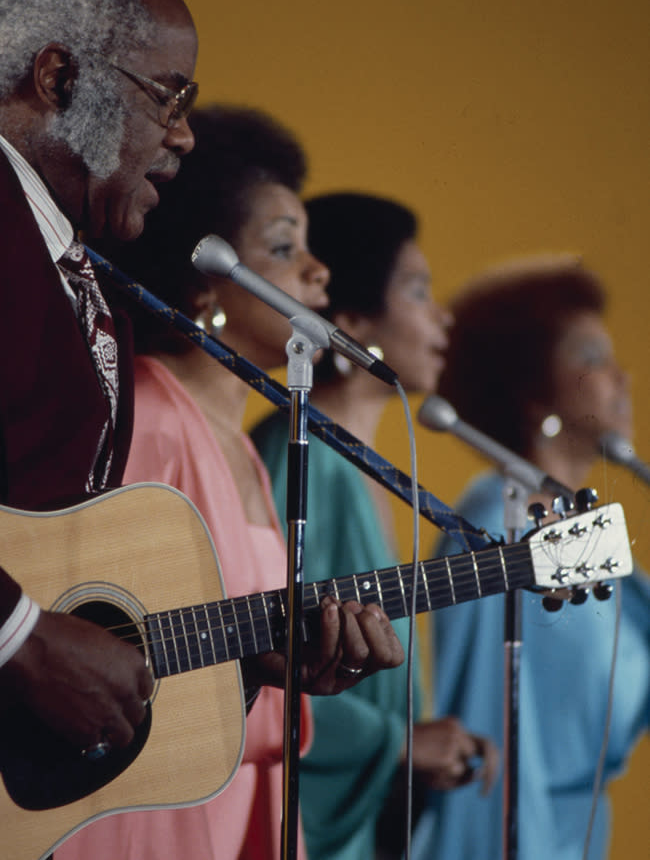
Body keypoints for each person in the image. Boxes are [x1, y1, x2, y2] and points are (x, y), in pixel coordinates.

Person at [58, 109, 406, 859]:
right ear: (202, 282)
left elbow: (215, 659)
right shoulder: (152, 420)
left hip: (228, 813)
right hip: (142, 828)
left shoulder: (239, 446)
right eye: (284, 249)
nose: (318, 273)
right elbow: (104, 664)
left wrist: (294, 672)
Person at [0, 0, 199, 765]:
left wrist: (248, 656)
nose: (185, 136)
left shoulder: (79, 271)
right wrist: (19, 640)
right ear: (58, 75)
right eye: (170, 96)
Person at [253, 192, 499, 860]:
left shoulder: (363, 471)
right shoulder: (302, 459)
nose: (441, 317)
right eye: (418, 291)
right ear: (354, 318)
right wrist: (401, 744)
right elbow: (247, 668)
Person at [410, 256, 650, 860]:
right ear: (532, 390)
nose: (620, 377)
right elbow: (486, 729)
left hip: (581, 833)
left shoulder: (585, 526)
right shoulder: (497, 523)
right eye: (591, 357)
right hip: (516, 840)